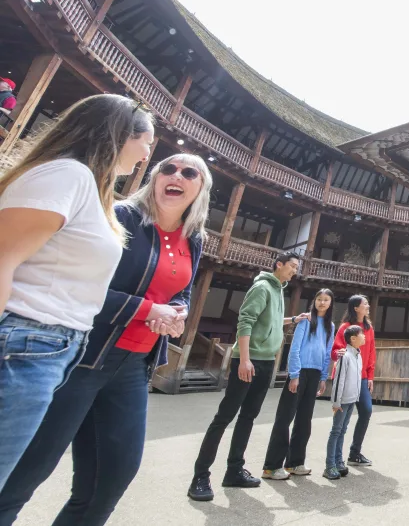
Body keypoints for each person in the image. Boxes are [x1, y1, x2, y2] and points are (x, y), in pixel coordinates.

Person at [0, 154, 210, 525]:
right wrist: (147, 311)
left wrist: (177, 312)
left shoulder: (194, 239)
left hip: (133, 366)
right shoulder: (120, 217)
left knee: (109, 481)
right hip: (82, 357)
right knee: (26, 472)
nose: (176, 175)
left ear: (200, 188)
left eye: (188, 172)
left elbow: (184, 290)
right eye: (167, 168)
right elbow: (79, 283)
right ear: (155, 177)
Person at [0, 94, 154, 491]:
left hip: (48, 347)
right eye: (147, 141)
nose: (146, 155)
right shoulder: (68, 175)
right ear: (121, 133)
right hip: (26, 343)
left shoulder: (89, 187)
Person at [188, 252, 307, 501]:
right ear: (279, 264)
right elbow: (246, 321)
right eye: (292, 266)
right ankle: (200, 476)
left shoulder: (279, 290)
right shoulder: (263, 287)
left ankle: (234, 470)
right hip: (248, 361)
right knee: (224, 417)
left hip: (264, 363)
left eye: (297, 267)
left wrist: (294, 319)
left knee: (248, 417)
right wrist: (244, 359)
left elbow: (272, 321)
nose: (294, 271)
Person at [262, 289, 335, 479]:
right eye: (319, 299)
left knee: (304, 420)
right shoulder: (305, 320)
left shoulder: (330, 325)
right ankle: (272, 466)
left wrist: (323, 377)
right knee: (285, 417)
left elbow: (327, 352)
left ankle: (295, 462)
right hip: (300, 371)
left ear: (330, 303)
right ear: (314, 301)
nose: (322, 302)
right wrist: (294, 374)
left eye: (326, 300)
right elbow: (295, 348)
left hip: (315, 372)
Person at [329, 294, 377, 467]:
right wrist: (338, 354)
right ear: (356, 307)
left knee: (366, 410)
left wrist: (370, 376)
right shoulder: (345, 327)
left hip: (362, 377)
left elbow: (371, 352)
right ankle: (335, 459)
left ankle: (355, 452)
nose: (368, 306)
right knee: (341, 422)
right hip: (346, 377)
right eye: (365, 303)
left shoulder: (368, 328)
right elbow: (335, 351)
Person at [324, 324, 365, 480]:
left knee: (342, 431)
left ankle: (338, 461)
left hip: (351, 399)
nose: (365, 336)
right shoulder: (345, 356)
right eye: (362, 334)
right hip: (342, 401)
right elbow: (339, 380)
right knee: (336, 431)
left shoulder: (358, 355)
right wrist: (336, 402)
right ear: (353, 339)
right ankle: (329, 466)